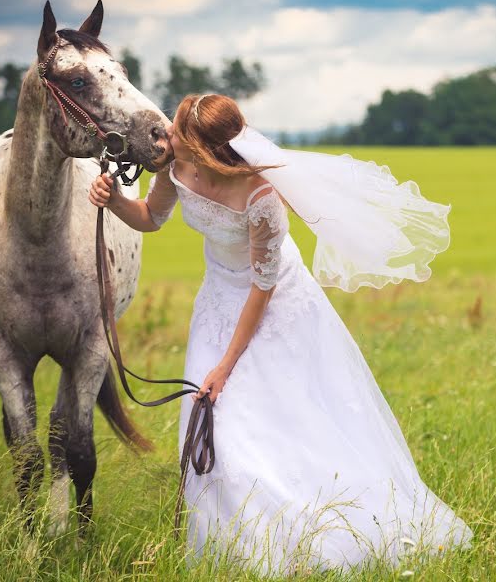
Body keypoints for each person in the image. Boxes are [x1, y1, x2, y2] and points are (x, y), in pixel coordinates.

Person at [88, 93, 470, 572]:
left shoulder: (260, 197)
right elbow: (150, 218)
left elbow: (262, 289)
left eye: (179, 132)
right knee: (215, 426)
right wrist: (116, 200)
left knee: (279, 416)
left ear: (204, 148)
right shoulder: (173, 168)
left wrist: (224, 367)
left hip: (271, 306)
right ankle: (230, 547)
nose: (166, 137)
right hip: (216, 303)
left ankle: (304, 535)